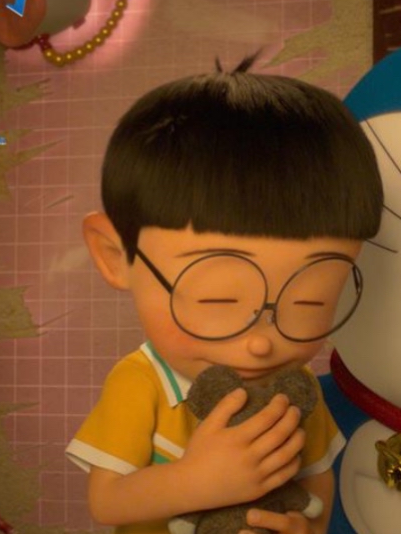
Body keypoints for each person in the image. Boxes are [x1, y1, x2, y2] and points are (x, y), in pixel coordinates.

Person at [66, 55, 383, 534]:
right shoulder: (141, 383)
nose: (260, 343)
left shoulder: (296, 388)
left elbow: (318, 480)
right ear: (115, 256)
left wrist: (308, 527)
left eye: (310, 303)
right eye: (218, 302)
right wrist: (197, 482)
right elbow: (107, 502)